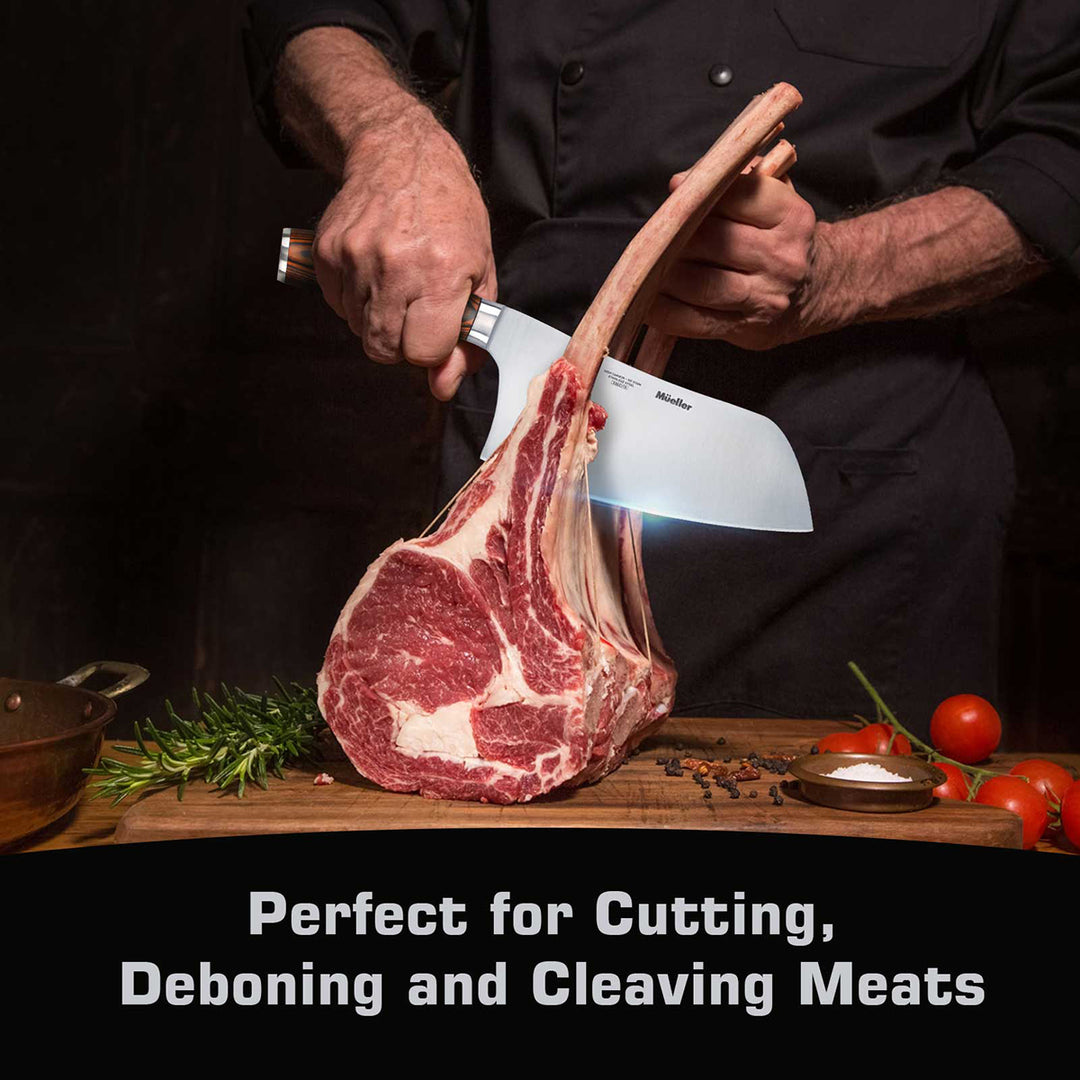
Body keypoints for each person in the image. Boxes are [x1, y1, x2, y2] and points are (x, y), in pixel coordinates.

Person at [244, 1, 1080, 737]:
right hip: (529, 474)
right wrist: (391, 139)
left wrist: (844, 270)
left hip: (864, 493)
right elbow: (316, 10)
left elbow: (1065, 143)